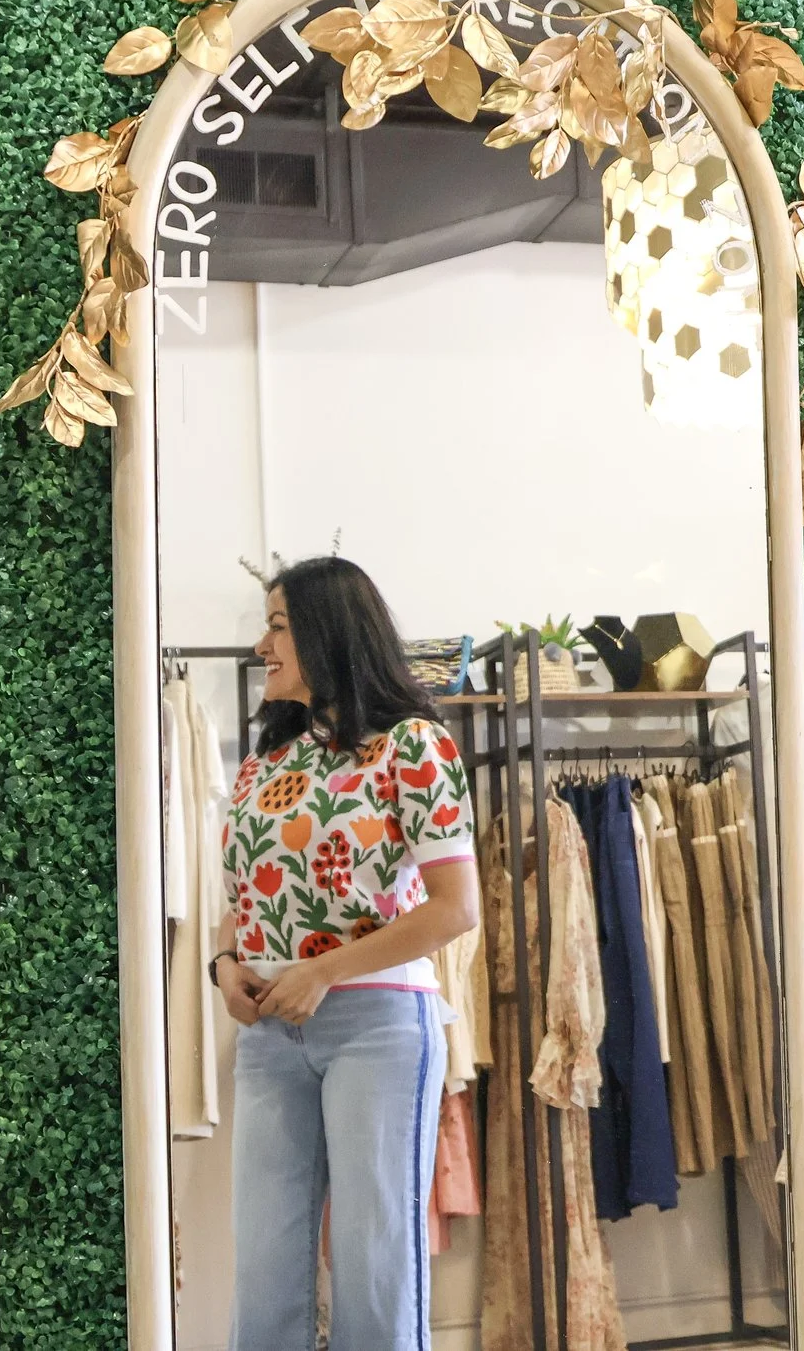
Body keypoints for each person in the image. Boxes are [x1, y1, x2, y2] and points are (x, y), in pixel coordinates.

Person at [212, 556, 479, 1350]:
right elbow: (242, 896)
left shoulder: (413, 746)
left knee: (374, 1265)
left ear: (327, 631)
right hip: (268, 1031)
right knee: (263, 1269)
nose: (262, 645)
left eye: (278, 626)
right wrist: (224, 966)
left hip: (378, 1025)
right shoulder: (266, 761)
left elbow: (456, 906)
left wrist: (323, 970)